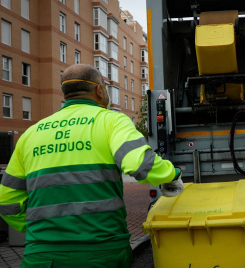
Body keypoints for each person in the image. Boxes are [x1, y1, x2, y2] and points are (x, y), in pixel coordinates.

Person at [0, 64, 184, 267]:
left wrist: (41, 230)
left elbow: (6, 201)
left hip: (41, 255)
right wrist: (172, 174)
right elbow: (140, 164)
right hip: (101, 252)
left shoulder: (31, 134)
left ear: (66, 93)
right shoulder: (111, 121)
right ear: (100, 90)